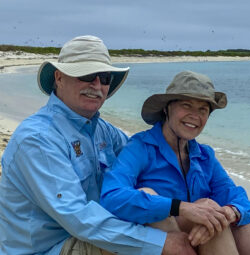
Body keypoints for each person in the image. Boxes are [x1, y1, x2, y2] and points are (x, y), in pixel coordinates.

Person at [0, 36, 198, 255]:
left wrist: (178, 129)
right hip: (50, 247)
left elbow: (150, 164)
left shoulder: (102, 130)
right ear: (59, 78)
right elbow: (79, 218)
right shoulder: (38, 139)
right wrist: (164, 243)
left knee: (207, 222)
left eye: (104, 77)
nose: (96, 85)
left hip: (87, 231)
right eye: (86, 75)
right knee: (160, 228)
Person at [100, 71, 250, 254]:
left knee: (230, 218)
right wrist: (180, 208)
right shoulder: (141, 147)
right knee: (158, 196)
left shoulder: (204, 156)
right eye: (187, 105)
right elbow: (112, 196)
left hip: (203, 241)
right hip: (164, 244)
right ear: (166, 108)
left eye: (203, 109)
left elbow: (238, 197)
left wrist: (231, 212)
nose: (195, 115)